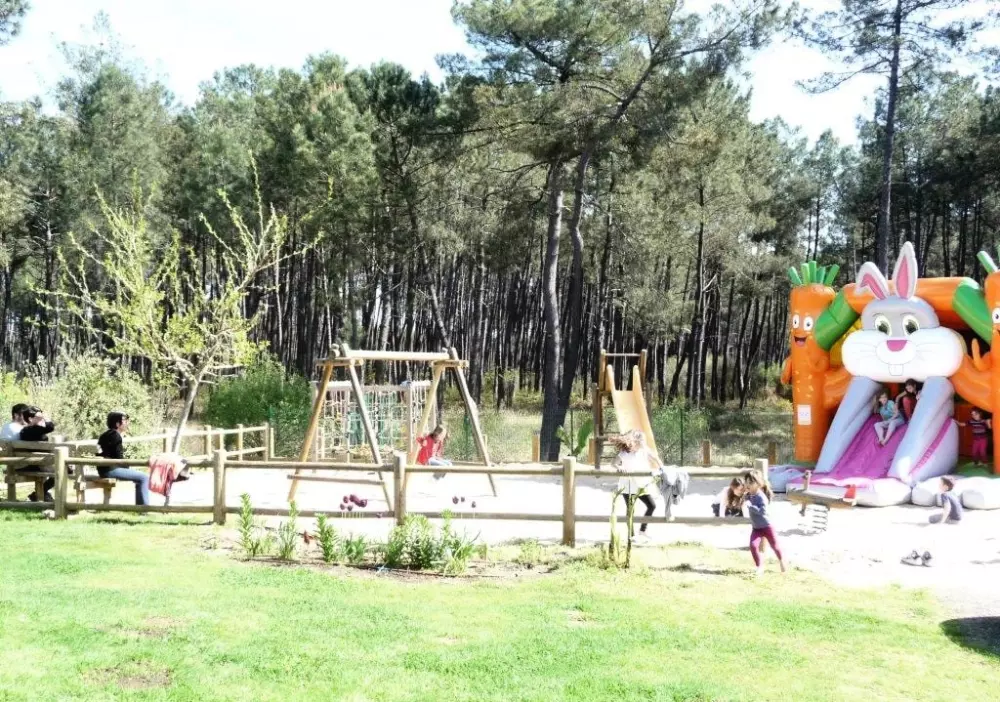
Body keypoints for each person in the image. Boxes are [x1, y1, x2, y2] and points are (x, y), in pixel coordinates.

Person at [612, 430, 663, 537]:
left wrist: (662, 468)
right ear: (635, 441)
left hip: (640, 485)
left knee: (651, 506)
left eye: (643, 441)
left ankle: (642, 531)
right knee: (630, 510)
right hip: (627, 485)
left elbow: (656, 458)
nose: (643, 443)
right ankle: (631, 535)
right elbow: (614, 463)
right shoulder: (625, 453)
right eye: (641, 441)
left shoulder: (644, 450)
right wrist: (620, 467)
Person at [903, 476, 962, 567]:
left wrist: (942, 521)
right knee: (933, 518)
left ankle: (917, 557)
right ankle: (926, 557)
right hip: (958, 518)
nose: (939, 485)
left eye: (940, 484)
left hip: (952, 519)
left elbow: (948, 508)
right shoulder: (952, 493)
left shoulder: (944, 495)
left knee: (932, 520)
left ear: (945, 487)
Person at [97, 411, 150, 506]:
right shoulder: (116, 436)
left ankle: (141, 508)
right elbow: (119, 459)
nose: (127, 423)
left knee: (139, 477)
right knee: (144, 477)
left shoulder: (105, 435)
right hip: (111, 470)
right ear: (118, 424)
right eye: (124, 421)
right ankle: (144, 508)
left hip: (103, 469)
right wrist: (128, 468)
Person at [745, 471, 786, 576]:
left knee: (775, 546)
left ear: (758, 484)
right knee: (753, 546)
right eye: (747, 482)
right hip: (756, 528)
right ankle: (759, 567)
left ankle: (782, 561)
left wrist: (750, 506)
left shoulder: (761, 497)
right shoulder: (749, 495)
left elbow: (762, 511)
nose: (748, 485)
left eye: (750, 483)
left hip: (767, 527)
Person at [18, 406, 56, 501]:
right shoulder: (32, 430)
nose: (42, 419)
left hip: (37, 462)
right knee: (61, 472)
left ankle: (40, 494)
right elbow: (51, 427)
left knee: (64, 470)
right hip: (40, 463)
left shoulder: (25, 431)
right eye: (39, 417)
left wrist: (40, 418)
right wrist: (45, 418)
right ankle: (39, 494)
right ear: (30, 419)